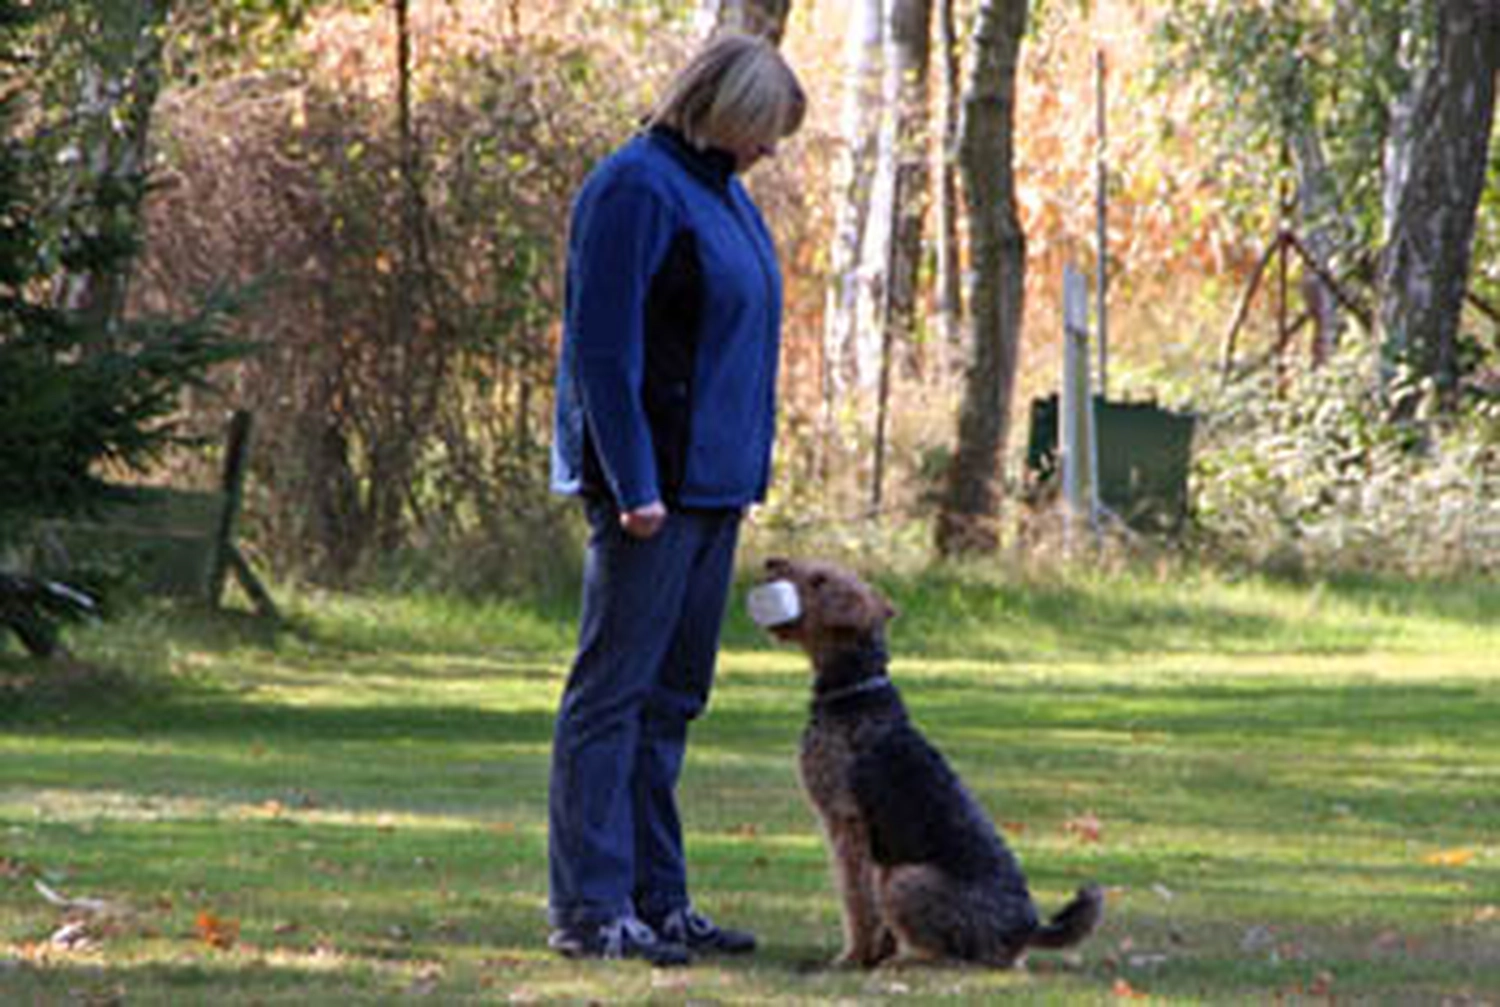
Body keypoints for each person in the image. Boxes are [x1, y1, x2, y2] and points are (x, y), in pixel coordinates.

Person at [545, 33, 807, 965]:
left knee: (672, 701)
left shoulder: (725, 195)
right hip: (652, 492)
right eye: (766, 130)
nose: (772, 150)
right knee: (611, 698)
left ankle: (659, 900)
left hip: (715, 489)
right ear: (726, 109)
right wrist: (634, 484)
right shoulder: (634, 188)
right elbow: (604, 352)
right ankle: (590, 908)